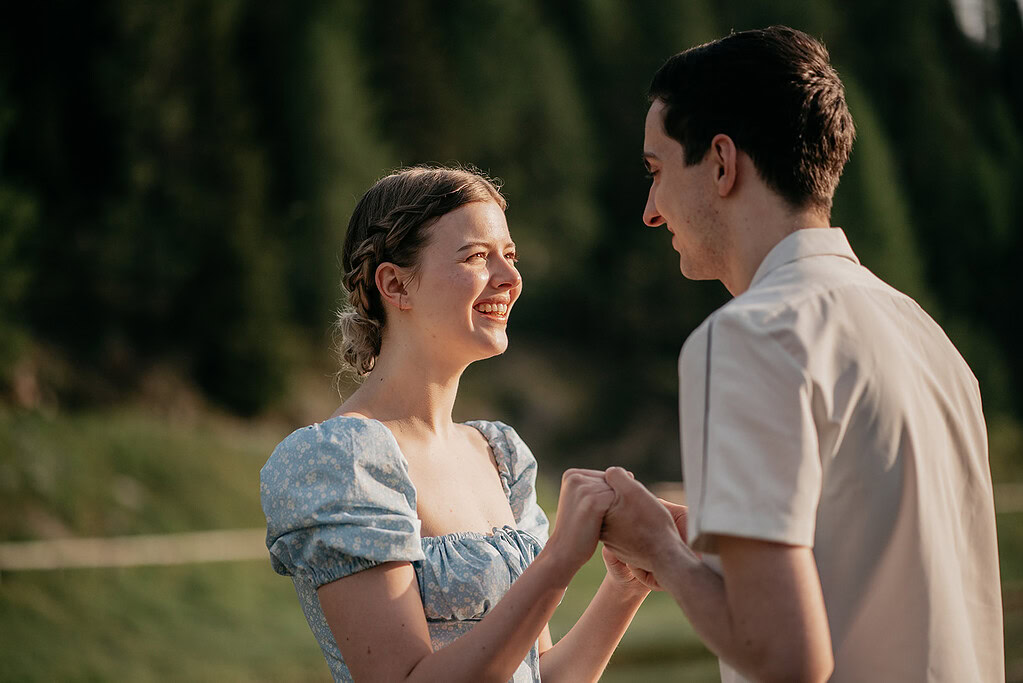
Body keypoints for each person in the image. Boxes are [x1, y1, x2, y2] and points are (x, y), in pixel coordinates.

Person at [599, 25, 1004, 682]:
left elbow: (786, 656)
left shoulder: (748, 336)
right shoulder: (930, 341)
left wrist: (658, 551)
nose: (650, 210)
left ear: (721, 163)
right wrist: (695, 544)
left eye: (656, 171)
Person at [260, 166, 649, 683]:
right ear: (395, 284)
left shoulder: (500, 456)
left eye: (510, 255)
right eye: (477, 257)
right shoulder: (342, 461)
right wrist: (558, 560)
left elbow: (537, 673)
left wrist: (626, 585)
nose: (510, 278)